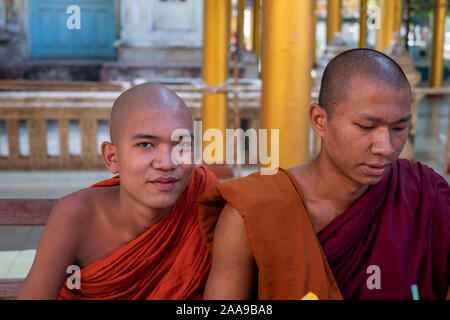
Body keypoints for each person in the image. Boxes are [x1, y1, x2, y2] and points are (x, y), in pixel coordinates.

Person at [197, 49, 449, 300]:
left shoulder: (424, 196)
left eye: (399, 127)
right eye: (366, 127)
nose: (386, 146)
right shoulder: (250, 213)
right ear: (319, 120)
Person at [18, 83, 218, 300]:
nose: (167, 163)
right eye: (145, 145)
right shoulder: (77, 216)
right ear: (112, 157)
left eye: (182, 145)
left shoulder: (204, 196)